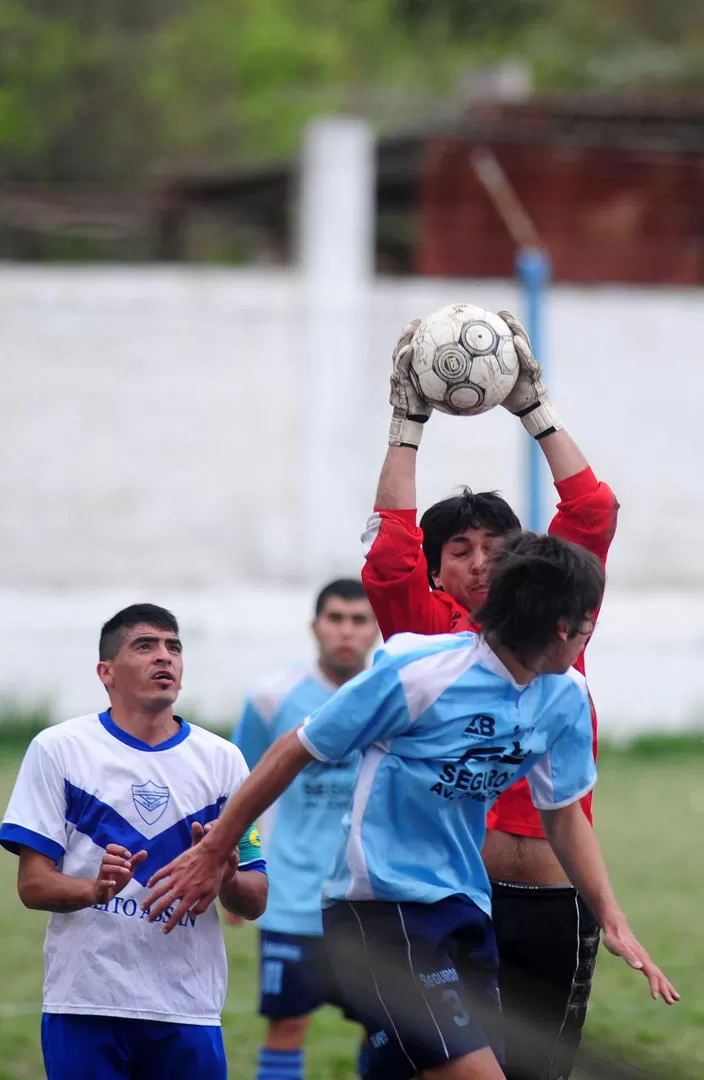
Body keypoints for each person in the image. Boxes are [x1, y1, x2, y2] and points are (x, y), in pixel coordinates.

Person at [142, 533, 678, 1080]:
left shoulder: (563, 698)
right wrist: (215, 850)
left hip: (467, 906)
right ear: (563, 627)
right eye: (589, 622)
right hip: (380, 911)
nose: (590, 633)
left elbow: (562, 814)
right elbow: (293, 751)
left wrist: (612, 918)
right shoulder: (418, 673)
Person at [361, 311, 619, 1079]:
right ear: (437, 571)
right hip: (447, 903)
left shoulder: (555, 622)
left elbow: (593, 514)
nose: (479, 562)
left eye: (496, 547)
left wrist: (535, 411)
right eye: (460, 549)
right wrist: (406, 423)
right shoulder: (423, 632)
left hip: (549, 902)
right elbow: (389, 549)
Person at [0, 603, 268, 1080]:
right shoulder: (59, 750)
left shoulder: (224, 761)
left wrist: (226, 878)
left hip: (188, 1010)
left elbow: (255, 899)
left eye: (173, 647)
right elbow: (32, 885)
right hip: (84, 1005)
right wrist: (93, 890)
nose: (164, 657)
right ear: (106, 672)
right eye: (145, 646)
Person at [230, 578, 379, 1080]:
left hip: (372, 900)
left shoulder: (394, 693)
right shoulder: (273, 697)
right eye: (335, 618)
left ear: (376, 629)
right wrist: (241, 871)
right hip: (291, 898)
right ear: (315, 626)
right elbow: (239, 790)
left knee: (383, 1033)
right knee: (287, 1026)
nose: (346, 631)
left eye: (359, 620)